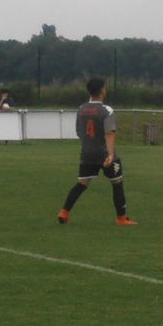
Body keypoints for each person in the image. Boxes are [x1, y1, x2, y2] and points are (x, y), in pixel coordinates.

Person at [57, 77, 135, 227]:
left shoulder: (81, 109)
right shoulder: (107, 110)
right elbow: (110, 133)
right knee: (117, 183)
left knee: (81, 184)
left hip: (87, 153)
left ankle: (64, 212)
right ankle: (121, 218)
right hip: (105, 154)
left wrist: (88, 144)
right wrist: (110, 154)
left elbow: (79, 131)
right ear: (102, 91)